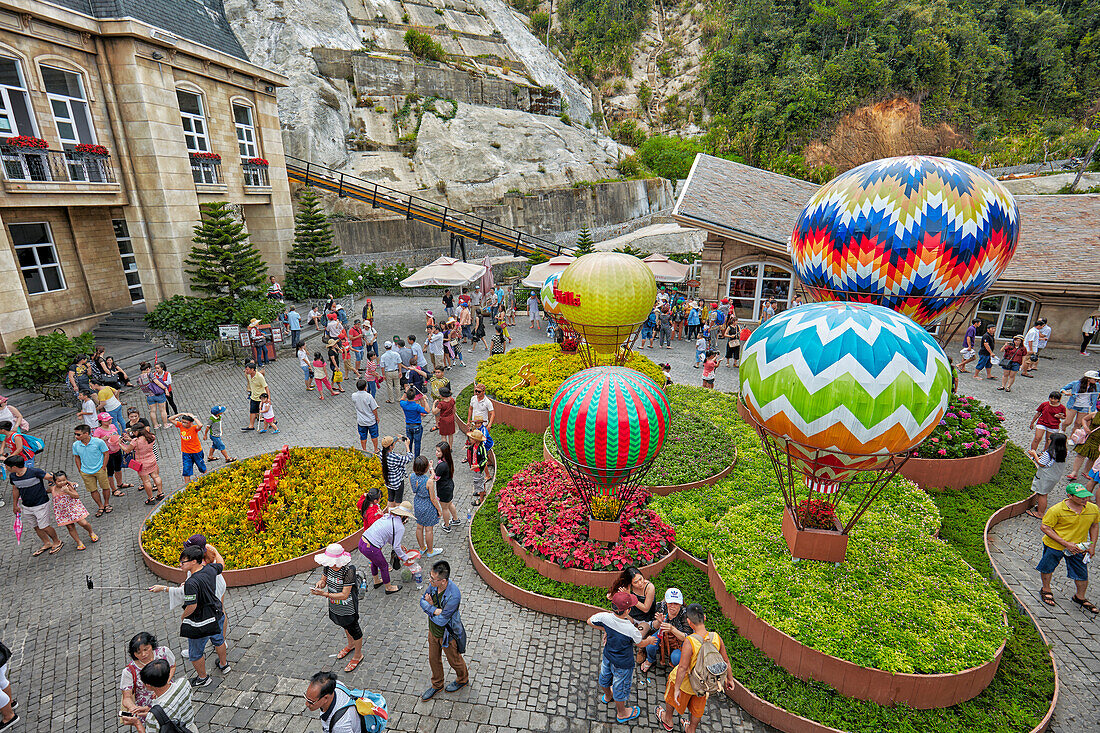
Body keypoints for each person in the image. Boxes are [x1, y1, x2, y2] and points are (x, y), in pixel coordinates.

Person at [655, 604, 735, 733]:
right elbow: (726, 660)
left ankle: (667, 719)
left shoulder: (690, 641)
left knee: (671, 699)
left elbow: (682, 667)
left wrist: (676, 689)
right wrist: (730, 679)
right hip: (703, 684)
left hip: (685, 684)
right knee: (697, 709)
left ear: (688, 622)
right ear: (704, 617)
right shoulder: (716, 637)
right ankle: (691, 729)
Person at [587, 591, 657, 723]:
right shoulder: (631, 629)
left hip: (608, 656)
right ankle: (622, 713)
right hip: (623, 664)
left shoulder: (604, 617)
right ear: (628, 610)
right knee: (620, 687)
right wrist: (649, 641)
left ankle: (607, 696)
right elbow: (639, 643)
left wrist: (608, 630)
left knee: (605, 676)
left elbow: (589, 621)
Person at [169, 545, 228, 686]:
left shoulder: (191, 583)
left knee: (195, 653)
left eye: (183, 562)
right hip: (217, 613)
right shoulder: (210, 570)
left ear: (194, 561)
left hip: (201, 621)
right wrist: (215, 551)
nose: (180, 564)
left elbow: (192, 606)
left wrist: (183, 616)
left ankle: (203, 678)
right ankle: (224, 664)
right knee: (219, 640)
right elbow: (221, 564)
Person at [1036, 483, 1099, 613]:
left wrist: (1092, 545)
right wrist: (1066, 543)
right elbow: (1045, 527)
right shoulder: (1056, 510)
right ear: (1069, 496)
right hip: (1055, 545)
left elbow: (1094, 525)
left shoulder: (1093, 509)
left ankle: (1079, 597)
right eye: (1080, 497)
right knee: (1047, 567)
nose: (1084, 499)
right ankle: (1046, 589)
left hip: (1078, 548)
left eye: (1086, 496)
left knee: (1082, 572)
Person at [419, 560, 469, 700]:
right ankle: (437, 684)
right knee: (433, 659)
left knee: (454, 660)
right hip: (433, 631)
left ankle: (462, 679)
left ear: (443, 581)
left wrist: (429, 607)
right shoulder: (433, 585)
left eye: (433, 579)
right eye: (430, 577)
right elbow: (422, 601)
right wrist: (434, 609)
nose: (429, 581)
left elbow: (442, 621)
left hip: (448, 634)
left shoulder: (454, 596)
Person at [312, 544, 364, 673]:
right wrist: (320, 584)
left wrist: (324, 594)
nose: (334, 566)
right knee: (343, 625)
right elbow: (324, 579)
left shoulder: (349, 571)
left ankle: (358, 655)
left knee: (355, 629)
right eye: (332, 563)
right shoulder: (328, 566)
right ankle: (350, 645)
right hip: (336, 605)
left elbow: (344, 594)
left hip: (348, 607)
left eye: (336, 563)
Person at [5, 456, 62, 555]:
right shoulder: (13, 476)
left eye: (7, 466)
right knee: (36, 526)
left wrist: (58, 488)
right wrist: (15, 505)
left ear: (13, 467)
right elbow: (15, 489)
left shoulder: (35, 472)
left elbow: (53, 478)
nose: (6, 468)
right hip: (27, 505)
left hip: (41, 503)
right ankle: (47, 543)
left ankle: (57, 541)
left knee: (44, 526)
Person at [118, 658, 195, 733]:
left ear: (148, 685)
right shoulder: (184, 683)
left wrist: (137, 723)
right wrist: (150, 711)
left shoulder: (152, 717)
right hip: (191, 728)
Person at [358, 500, 415, 593]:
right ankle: (388, 587)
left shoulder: (387, 517)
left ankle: (376, 581)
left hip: (362, 542)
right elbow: (396, 547)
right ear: (404, 516)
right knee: (384, 566)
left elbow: (388, 536)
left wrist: (399, 546)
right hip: (371, 547)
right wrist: (405, 558)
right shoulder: (400, 526)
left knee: (375, 561)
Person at [120, 632, 176, 715]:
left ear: (151, 645)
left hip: (168, 694)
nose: (143, 654)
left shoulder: (163, 652)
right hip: (146, 706)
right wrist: (133, 708)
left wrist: (164, 684)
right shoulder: (129, 672)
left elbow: (172, 666)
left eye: (146, 649)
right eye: (138, 653)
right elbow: (127, 697)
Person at [641, 588, 690, 673]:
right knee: (650, 645)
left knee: (676, 658)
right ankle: (650, 659)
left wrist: (672, 629)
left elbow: (688, 637)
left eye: (676, 603)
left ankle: (678, 670)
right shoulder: (661, 606)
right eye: (670, 603)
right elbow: (654, 626)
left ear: (680, 604)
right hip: (663, 632)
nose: (672, 606)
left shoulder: (685, 614)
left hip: (680, 638)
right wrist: (659, 622)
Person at [72, 423, 112, 516]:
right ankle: (100, 506)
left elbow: (106, 453)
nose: (76, 436)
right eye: (75, 434)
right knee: (93, 490)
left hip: (100, 469)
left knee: (105, 487)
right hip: (86, 471)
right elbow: (76, 457)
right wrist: (80, 469)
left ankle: (106, 503)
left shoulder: (98, 442)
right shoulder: (75, 445)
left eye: (78, 434)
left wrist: (104, 466)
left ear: (86, 434)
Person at [1026, 432, 1068, 519]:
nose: (1048, 440)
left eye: (1050, 439)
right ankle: (1040, 507)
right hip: (1054, 476)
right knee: (1044, 492)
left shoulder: (1049, 453)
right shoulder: (1064, 453)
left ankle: (1040, 513)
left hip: (1046, 476)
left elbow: (1041, 463)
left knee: (1042, 494)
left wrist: (1034, 454)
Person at [122, 422, 163, 502]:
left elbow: (127, 450)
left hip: (142, 463)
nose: (133, 433)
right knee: (156, 476)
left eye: (133, 432)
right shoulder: (151, 437)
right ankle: (160, 493)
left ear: (137, 432)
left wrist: (120, 444)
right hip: (152, 459)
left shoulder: (135, 441)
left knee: (146, 481)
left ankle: (150, 498)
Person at [93, 412, 128, 498]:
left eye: (110, 419)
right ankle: (113, 489)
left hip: (117, 450)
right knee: (110, 472)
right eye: (106, 420)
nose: (109, 421)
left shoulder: (112, 426)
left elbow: (117, 435)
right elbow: (94, 443)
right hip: (107, 454)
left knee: (118, 468)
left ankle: (120, 484)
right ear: (101, 421)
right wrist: (102, 439)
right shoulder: (98, 431)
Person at [432, 442, 460, 532]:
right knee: (450, 503)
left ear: (444, 453)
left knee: (445, 508)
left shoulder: (441, 465)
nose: (436, 452)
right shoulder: (448, 461)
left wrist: (431, 468)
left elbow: (435, 478)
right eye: (436, 450)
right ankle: (455, 519)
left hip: (443, 489)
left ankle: (447, 525)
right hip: (449, 485)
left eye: (438, 451)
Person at [381, 435, 415, 508]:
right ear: (390, 446)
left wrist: (399, 438)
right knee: (398, 501)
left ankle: (390, 515)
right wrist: (407, 446)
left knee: (390, 499)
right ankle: (398, 516)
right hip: (397, 481)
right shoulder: (394, 457)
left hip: (388, 480)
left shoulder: (381, 454)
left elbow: (390, 443)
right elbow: (409, 458)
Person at [1068, 411, 1100, 481]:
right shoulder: (1095, 414)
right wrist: (1085, 427)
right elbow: (1084, 419)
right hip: (1090, 437)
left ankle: (1086, 471)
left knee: (1093, 457)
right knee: (1081, 454)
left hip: (1098, 441)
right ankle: (1074, 472)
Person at [352, 379, 380, 453]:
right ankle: (376, 449)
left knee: (363, 436)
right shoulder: (369, 396)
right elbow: (374, 409)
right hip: (371, 420)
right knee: (374, 435)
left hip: (361, 421)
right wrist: (377, 417)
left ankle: (364, 450)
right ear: (365, 387)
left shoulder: (354, 395)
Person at [401, 388, 429, 457]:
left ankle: (409, 455)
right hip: (417, 426)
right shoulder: (417, 406)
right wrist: (424, 400)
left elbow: (402, 399)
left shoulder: (403, 404)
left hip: (408, 426)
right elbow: (427, 410)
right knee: (417, 443)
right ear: (415, 396)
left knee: (409, 442)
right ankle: (417, 457)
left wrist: (405, 391)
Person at [242, 361, 269, 430]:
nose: (246, 371)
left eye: (247, 369)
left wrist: (268, 398)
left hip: (261, 397)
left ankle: (273, 421)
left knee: (266, 412)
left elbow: (266, 387)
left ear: (252, 370)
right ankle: (251, 426)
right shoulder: (248, 375)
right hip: (253, 397)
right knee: (252, 411)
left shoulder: (259, 377)